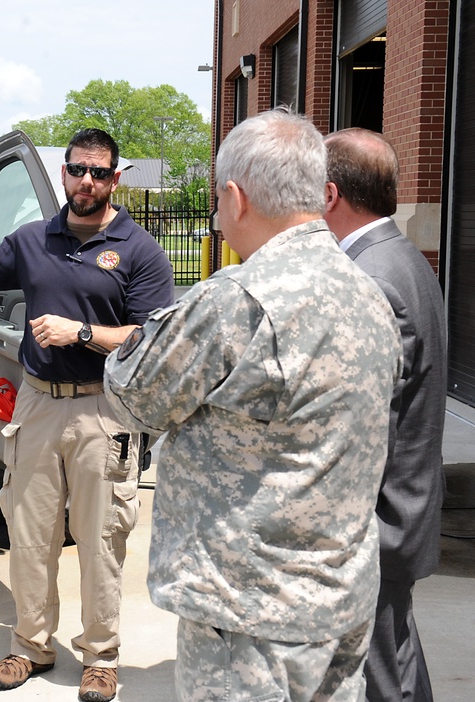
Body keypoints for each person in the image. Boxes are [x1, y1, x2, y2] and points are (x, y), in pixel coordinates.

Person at [103, 109, 402, 701]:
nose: (217, 217)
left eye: (217, 201)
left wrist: (133, 341)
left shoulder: (236, 300)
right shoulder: (368, 290)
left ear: (236, 198)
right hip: (341, 598)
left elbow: (132, 401)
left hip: (251, 614)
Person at [0, 128, 174, 702]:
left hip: (104, 409)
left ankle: (100, 656)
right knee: (28, 533)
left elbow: (152, 336)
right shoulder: (34, 240)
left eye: (100, 172)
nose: (87, 182)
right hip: (36, 403)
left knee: (101, 538)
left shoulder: (139, 249)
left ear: (115, 178)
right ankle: (30, 645)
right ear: (64, 173)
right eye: (78, 170)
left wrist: (81, 332)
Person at [324, 127, 447, 702]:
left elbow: (362, 426)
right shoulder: (402, 258)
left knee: (380, 682)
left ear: (328, 196)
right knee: (396, 665)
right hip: (400, 512)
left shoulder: (370, 278)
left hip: (378, 523)